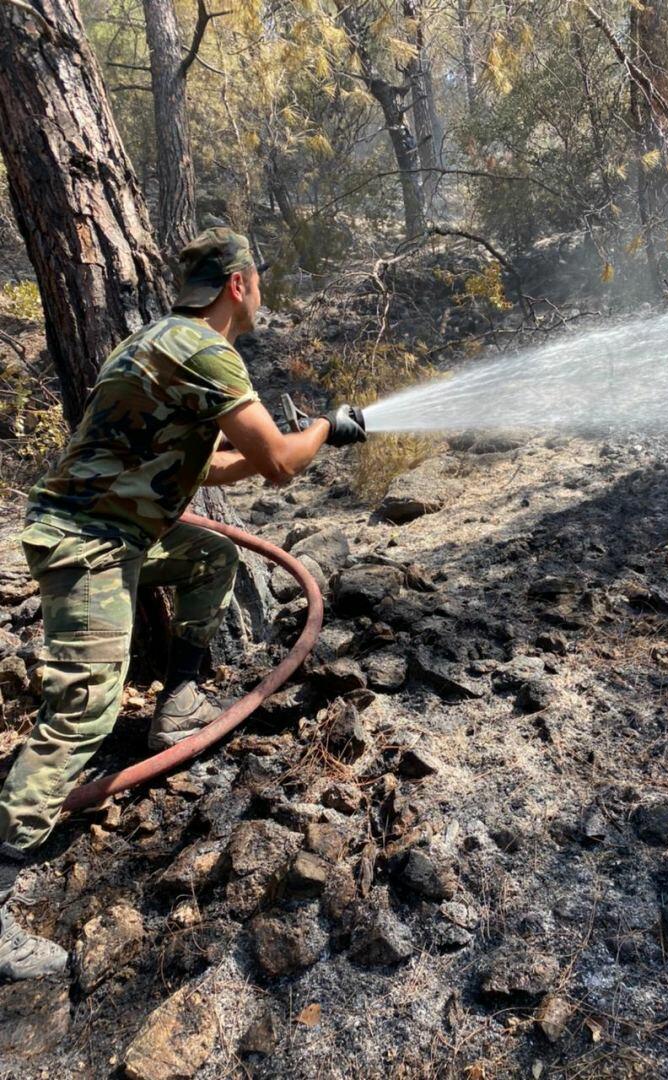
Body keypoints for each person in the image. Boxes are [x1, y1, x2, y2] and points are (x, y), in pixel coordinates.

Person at [0, 228, 366, 979]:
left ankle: (181, 701)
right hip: (90, 541)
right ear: (237, 284)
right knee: (84, 709)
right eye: (258, 279)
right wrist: (328, 427)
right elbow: (277, 468)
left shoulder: (156, 342)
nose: (261, 292)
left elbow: (221, 466)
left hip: (121, 532)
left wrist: (300, 442)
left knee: (212, 553)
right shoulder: (206, 351)